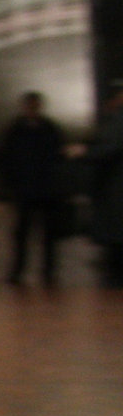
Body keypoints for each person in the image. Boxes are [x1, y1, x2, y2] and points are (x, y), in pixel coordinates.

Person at [0, 91, 67, 284]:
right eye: (30, 105)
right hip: (24, 190)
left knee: (48, 234)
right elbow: (6, 160)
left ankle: (48, 272)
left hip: (47, 190)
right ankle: (18, 272)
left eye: (35, 105)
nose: (33, 108)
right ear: (25, 106)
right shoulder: (14, 131)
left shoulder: (51, 129)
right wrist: (11, 185)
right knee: (21, 234)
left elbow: (59, 158)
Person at [89, 87, 123, 287]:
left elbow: (109, 150)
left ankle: (115, 278)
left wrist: (85, 152)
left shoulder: (116, 122)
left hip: (114, 188)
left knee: (116, 234)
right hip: (113, 189)